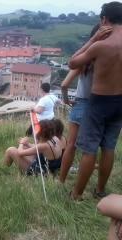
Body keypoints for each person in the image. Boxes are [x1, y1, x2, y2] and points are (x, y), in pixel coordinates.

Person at [69, 2, 122, 201]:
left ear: (104, 19)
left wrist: (93, 39)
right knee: (109, 147)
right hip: (120, 102)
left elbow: (73, 62)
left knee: (89, 149)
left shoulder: (101, 45)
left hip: (99, 101)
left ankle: (77, 194)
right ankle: (100, 190)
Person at [59, 24, 100, 184]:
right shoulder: (109, 58)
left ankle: (61, 180)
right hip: (99, 104)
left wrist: (66, 99)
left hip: (80, 104)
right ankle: (85, 184)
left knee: (71, 146)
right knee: (90, 149)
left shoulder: (85, 61)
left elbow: (64, 84)